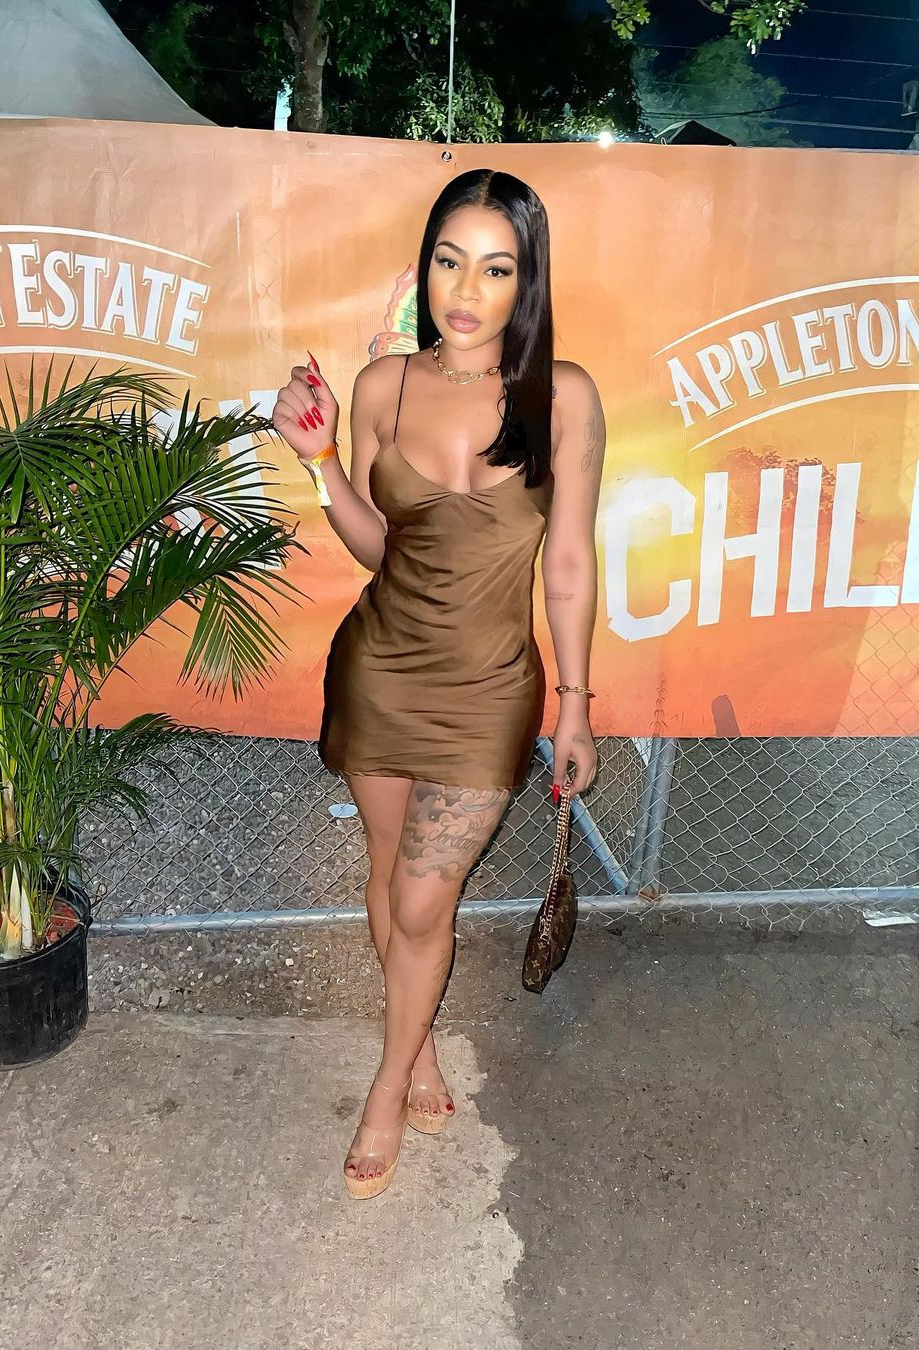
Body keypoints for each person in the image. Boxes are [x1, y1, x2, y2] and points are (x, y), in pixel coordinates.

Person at [271, 167, 605, 1199]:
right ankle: (414, 1053)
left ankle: (383, 1087)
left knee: (425, 898)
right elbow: (385, 547)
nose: (466, 289)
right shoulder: (385, 387)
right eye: (449, 261)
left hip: (490, 690)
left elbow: (569, 562)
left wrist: (576, 705)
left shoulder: (564, 398)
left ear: (526, 281)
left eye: (496, 268)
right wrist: (322, 462)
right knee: (389, 877)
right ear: (425, 268)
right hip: (380, 670)